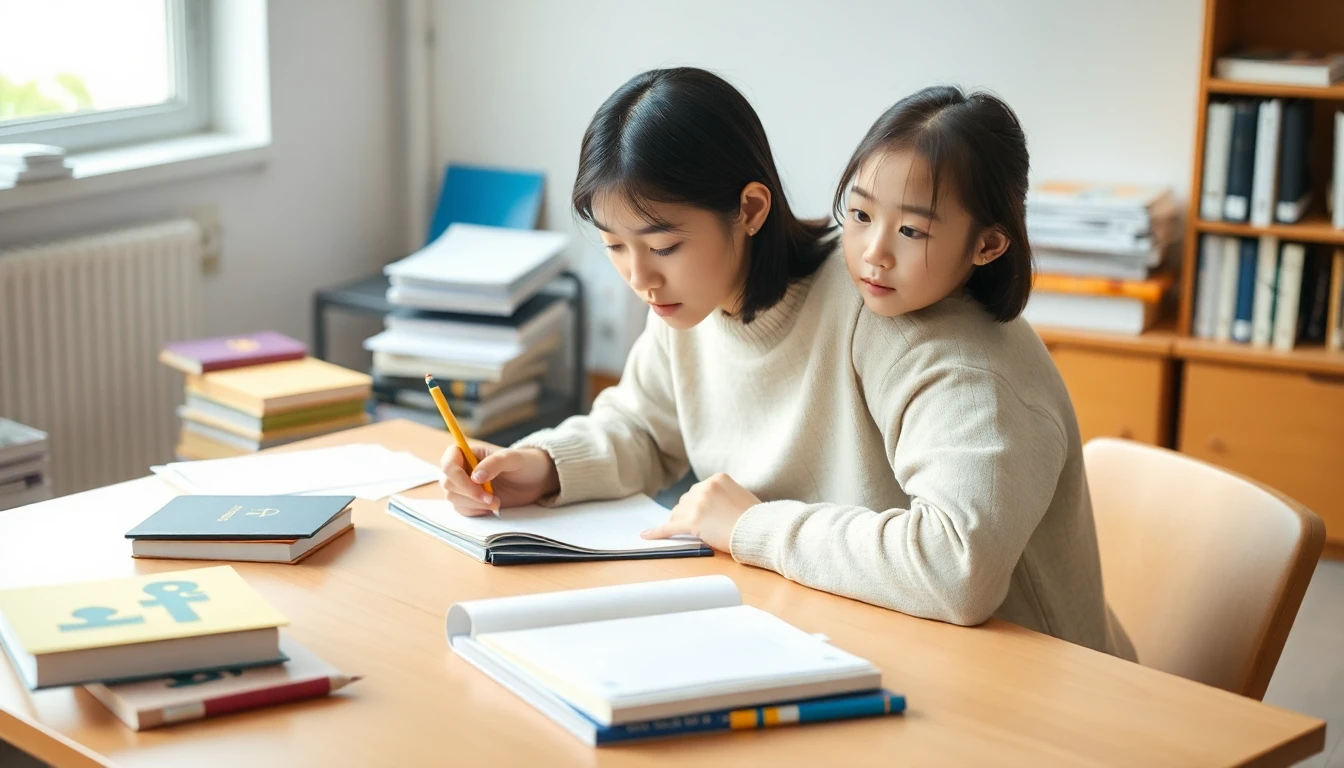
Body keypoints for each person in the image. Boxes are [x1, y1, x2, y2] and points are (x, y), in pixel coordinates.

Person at [440, 70, 1134, 659]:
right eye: (614, 246)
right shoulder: (695, 303)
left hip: (1024, 681)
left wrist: (752, 527)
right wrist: (542, 465)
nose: (639, 278)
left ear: (749, 209)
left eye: (662, 244)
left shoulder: (905, 319)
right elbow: (645, 425)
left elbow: (957, 567)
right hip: (855, 641)